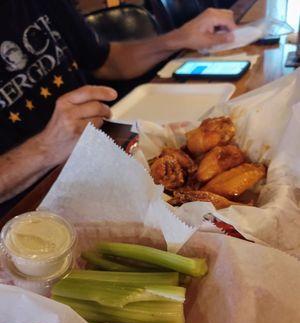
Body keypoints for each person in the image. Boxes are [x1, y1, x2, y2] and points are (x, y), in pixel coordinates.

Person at [0, 0, 236, 205]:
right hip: (26, 204)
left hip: (104, 145)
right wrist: (45, 149)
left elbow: (105, 62)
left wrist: (180, 38)